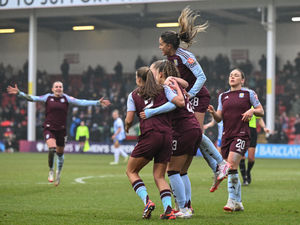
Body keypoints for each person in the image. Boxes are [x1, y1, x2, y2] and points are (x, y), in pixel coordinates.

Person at [159, 6, 229, 192]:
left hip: (198, 96)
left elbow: (202, 77)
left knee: (196, 133)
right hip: (188, 97)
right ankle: (217, 167)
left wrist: (190, 94)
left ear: (169, 45)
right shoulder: (169, 61)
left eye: (161, 44)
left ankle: (221, 163)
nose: (159, 47)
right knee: (195, 136)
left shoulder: (185, 56)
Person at [7, 82, 110, 186]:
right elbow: (32, 98)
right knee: (52, 148)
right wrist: (19, 93)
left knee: (60, 154)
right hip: (49, 128)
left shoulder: (66, 98)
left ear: (62, 89)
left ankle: (58, 173)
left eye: (60, 87)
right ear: (52, 89)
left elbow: (81, 102)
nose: (58, 88)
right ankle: (51, 170)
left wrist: (97, 102)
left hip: (61, 130)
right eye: (56, 87)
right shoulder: (47, 97)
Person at [140, 60, 202, 218]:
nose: (150, 77)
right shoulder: (175, 83)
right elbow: (186, 84)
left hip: (183, 129)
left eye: (152, 73)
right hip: (193, 127)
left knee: (173, 171)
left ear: (160, 74)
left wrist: (151, 112)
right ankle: (187, 206)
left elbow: (177, 104)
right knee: (182, 172)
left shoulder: (167, 86)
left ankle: (183, 209)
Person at [125, 66, 184, 220]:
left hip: (150, 135)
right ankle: (169, 210)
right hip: (167, 136)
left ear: (139, 79)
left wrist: (126, 126)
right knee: (159, 176)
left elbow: (130, 119)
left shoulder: (133, 95)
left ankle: (147, 201)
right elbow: (177, 103)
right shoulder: (164, 89)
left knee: (131, 171)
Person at [207, 68, 264, 212]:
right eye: (231, 75)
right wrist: (213, 113)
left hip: (242, 134)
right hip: (227, 135)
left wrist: (252, 110)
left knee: (230, 165)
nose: (232, 77)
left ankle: (231, 200)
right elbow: (219, 117)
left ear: (242, 80)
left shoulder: (248, 94)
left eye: (236, 75)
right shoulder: (223, 96)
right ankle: (238, 202)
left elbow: (261, 111)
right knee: (232, 169)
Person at [239, 111, 270, 185]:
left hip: (252, 131)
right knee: (241, 157)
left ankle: (248, 172)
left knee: (251, 158)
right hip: (241, 130)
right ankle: (244, 178)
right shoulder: (241, 104)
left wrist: (264, 128)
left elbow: (259, 119)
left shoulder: (254, 106)